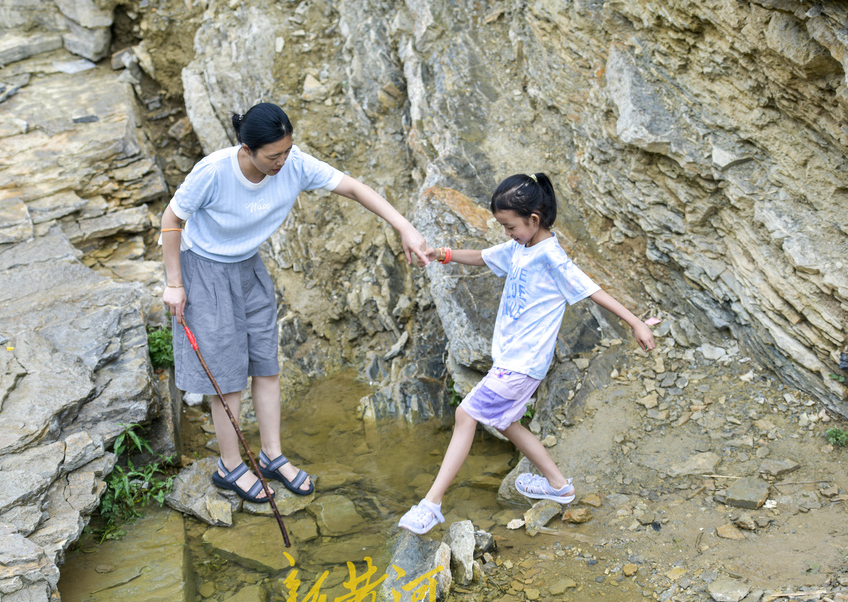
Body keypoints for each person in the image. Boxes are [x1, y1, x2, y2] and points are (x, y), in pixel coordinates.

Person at [161, 102, 429, 503]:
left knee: (266, 365)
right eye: (274, 156)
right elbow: (171, 218)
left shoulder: (296, 164)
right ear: (247, 149)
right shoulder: (214, 171)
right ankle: (230, 466)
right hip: (205, 271)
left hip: (248, 269)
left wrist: (405, 227)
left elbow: (354, 188)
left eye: (287, 151)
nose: (283, 162)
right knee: (227, 377)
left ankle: (271, 455)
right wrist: (174, 283)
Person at [398, 173, 656, 534]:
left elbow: (592, 289)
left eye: (510, 226)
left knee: (465, 414)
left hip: (523, 364)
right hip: (512, 359)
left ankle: (432, 504)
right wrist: (442, 254)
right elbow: (485, 257)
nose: (507, 233)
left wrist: (636, 323)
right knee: (506, 422)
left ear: (534, 219)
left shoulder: (552, 256)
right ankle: (558, 486)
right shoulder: (521, 247)